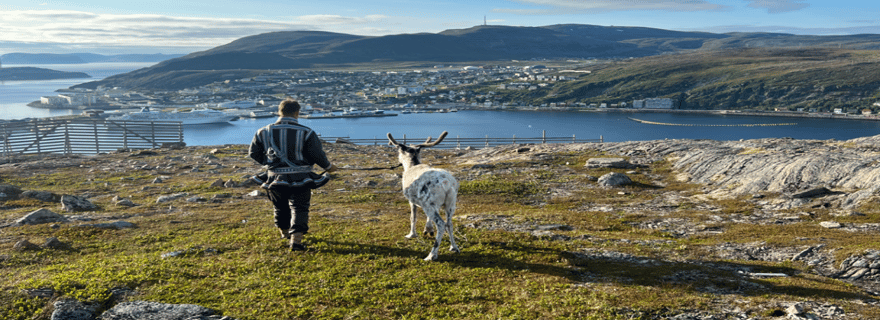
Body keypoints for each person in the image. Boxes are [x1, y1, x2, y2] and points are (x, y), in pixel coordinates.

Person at [249, 99, 337, 251]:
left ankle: (284, 233)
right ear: (297, 112)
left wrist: (269, 162)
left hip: (274, 177)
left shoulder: (262, 132)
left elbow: (253, 153)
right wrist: (329, 167)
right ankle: (296, 241)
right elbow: (316, 155)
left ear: (279, 111)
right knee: (300, 207)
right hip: (301, 177)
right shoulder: (306, 132)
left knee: (279, 206)